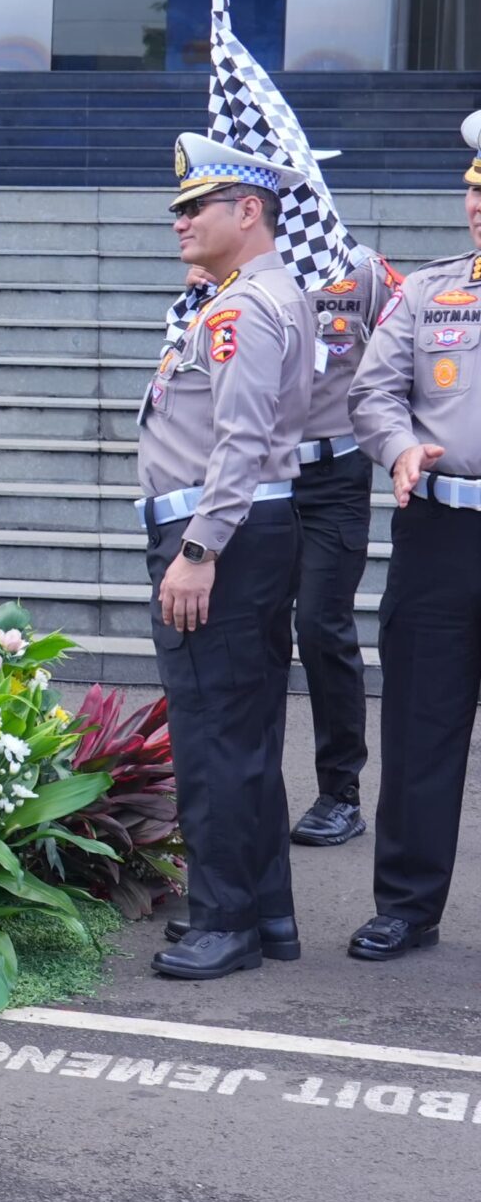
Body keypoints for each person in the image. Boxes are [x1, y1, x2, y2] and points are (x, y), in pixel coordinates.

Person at [140, 133, 312, 980]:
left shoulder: (244, 308)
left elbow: (241, 440)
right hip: (240, 531)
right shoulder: (239, 297)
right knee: (241, 732)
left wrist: (199, 548)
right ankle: (263, 911)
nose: (179, 221)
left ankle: (227, 919)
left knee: (214, 737)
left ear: (248, 211)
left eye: (195, 206)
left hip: (221, 536)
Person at [342, 111, 481, 961]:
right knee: (422, 727)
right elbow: (372, 392)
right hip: (441, 532)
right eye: (474, 191)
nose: (477, 206)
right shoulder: (429, 293)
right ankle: (406, 903)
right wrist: (398, 448)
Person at [273, 247, 390, 848]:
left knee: (321, 625)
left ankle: (341, 794)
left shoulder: (363, 270)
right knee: (256, 627)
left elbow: (408, 353)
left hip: (335, 475)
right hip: (262, 474)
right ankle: (252, 791)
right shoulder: (239, 268)